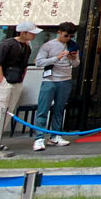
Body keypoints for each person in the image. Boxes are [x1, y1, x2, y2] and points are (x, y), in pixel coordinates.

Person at [34, 21, 80, 151]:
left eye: (71, 36)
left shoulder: (73, 46)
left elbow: (76, 64)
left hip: (65, 79)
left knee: (59, 109)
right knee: (43, 109)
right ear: (59, 32)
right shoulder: (48, 45)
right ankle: (39, 138)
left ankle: (56, 135)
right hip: (50, 80)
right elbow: (39, 62)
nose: (68, 38)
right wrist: (56, 58)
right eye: (66, 35)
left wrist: (73, 58)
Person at [0, 22, 42, 144]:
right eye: (32, 33)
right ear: (23, 32)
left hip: (16, 81)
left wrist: (22, 78)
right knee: (0, 110)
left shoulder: (27, 47)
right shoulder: (7, 44)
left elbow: (25, 65)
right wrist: (2, 81)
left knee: (9, 111)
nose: (34, 35)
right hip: (4, 81)